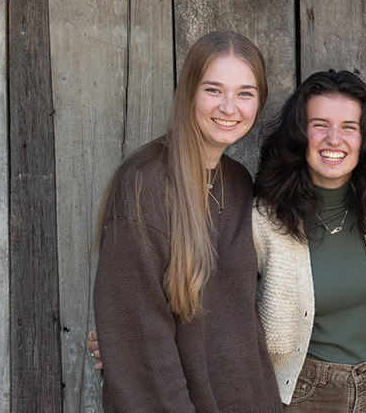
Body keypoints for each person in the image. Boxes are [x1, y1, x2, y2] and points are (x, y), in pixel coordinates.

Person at [92, 30, 281, 412]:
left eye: (245, 93)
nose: (229, 107)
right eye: (214, 90)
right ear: (188, 91)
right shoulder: (145, 185)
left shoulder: (238, 181)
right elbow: (139, 343)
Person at [253, 69, 366, 411]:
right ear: (299, 134)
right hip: (303, 393)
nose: (334, 139)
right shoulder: (264, 220)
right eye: (319, 124)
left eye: (349, 127)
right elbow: (213, 299)